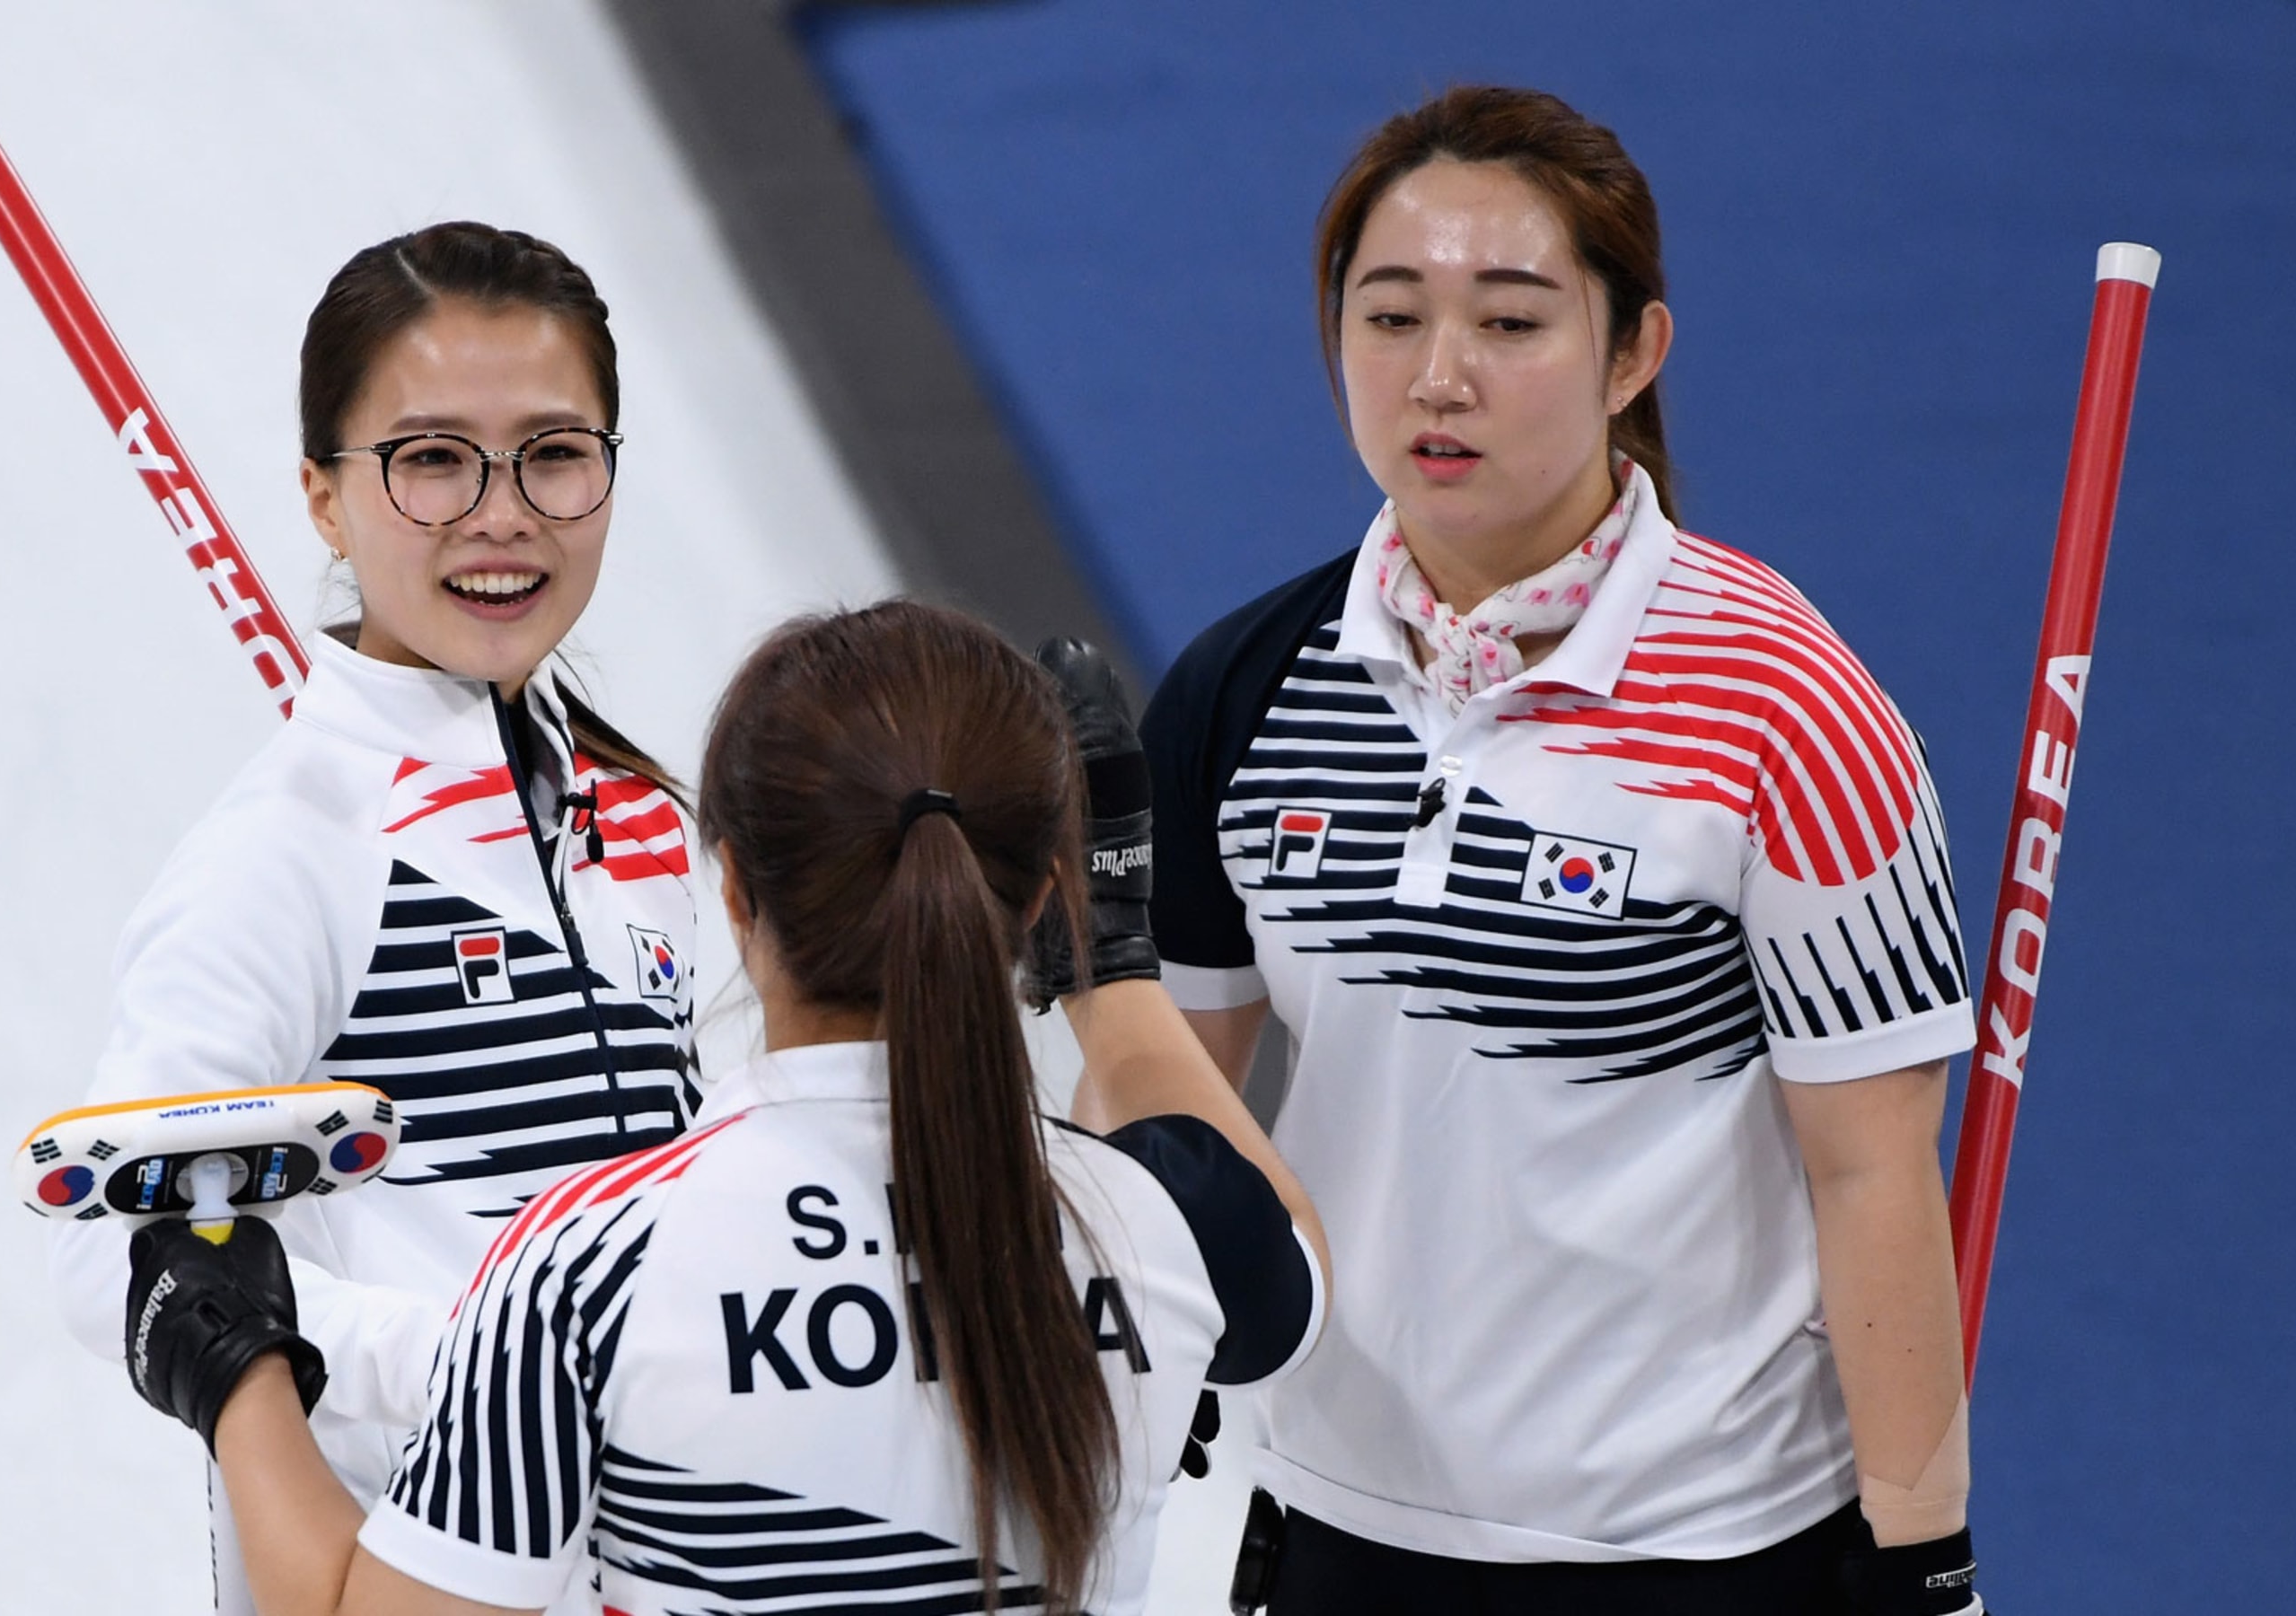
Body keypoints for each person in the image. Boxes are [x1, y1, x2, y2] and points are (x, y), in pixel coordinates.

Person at [1140, 87, 1984, 1613]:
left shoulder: (1789, 707)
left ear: (1633, 354)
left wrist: (1924, 1560)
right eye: (1389, 317)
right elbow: (1165, 1095)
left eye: (1512, 323)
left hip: (1700, 1552)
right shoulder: (1242, 688)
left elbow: (1874, 1177)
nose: (1439, 377)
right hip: (1333, 1531)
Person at [115, 602, 1332, 1616]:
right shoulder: (1161, 1233)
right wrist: (1111, 963)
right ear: (1037, 895)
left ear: (733, 890)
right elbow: (1293, 1272)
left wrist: (234, 1365)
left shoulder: (593, 1261)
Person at [49, 222, 699, 1612]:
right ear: (324, 497)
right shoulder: (284, 853)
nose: (501, 511)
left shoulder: (647, 820)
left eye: (556, 452)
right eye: (430, 459)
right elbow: (111, 1242)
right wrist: (500, 1355)